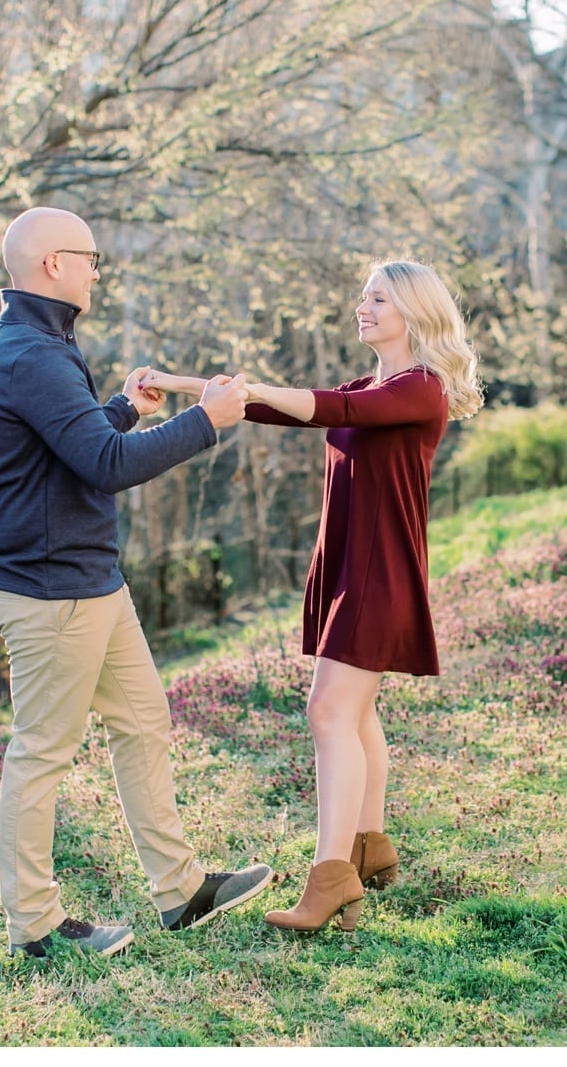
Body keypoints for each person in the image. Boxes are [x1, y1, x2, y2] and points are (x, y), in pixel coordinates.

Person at [140, 259, 482, 933]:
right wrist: (179, 385)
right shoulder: (377, 381)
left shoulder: (421, 388)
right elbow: (281, 407)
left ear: (413, 309)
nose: (364, 306)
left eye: (378, 298)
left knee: (329, 711)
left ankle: (331, 879)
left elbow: (337, 409)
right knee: (354, 715)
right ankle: (369, 846)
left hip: (376, 572)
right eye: (363, 296)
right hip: (356, 565)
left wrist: (250, 388)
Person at [0, 207, 271, 958]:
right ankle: (33, 928)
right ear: (51, 266)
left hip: (90, 582)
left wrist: (124, 410)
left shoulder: (42, 346)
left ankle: (180, 890)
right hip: (47, 591)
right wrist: (206, 421)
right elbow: (106, 467)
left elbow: (75, 448)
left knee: (143, 724)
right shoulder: (29, 354)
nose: (98, 269)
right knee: (42, 752)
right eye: (90, 257)